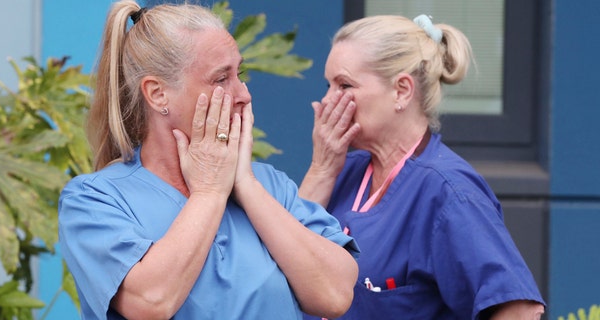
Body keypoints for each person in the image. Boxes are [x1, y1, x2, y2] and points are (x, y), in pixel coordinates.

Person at [57, 1, 360, 319]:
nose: (244, 94)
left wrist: (246, 186)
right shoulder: (93, 199)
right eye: (220, 79)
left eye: (239, 74)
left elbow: (335, 295)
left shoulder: (269, 185)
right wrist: (209, 192)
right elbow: (151, 301)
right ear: (158, 94)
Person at [299, 14, 545, 320]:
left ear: (402, 90)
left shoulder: (448, 191)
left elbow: (519, 310)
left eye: (344, 85)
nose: (327, 101)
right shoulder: (342, 170)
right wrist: (321, 169)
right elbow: (284, 261)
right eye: (328, 85)